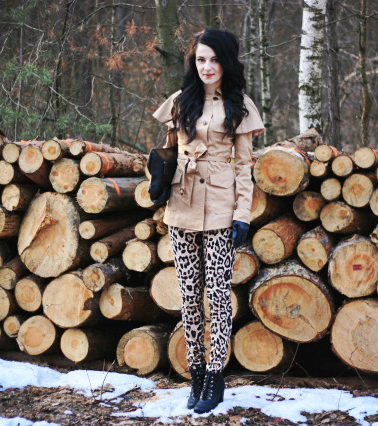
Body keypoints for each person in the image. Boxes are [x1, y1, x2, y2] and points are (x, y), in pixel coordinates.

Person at [151, 29, 264, 414]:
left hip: (219, 206)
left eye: (214, 59)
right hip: (181, 204)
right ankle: (196, 374)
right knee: (188, 295)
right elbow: (167, 151)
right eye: (201, 59)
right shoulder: (180, 101)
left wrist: (242, 214)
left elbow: (245, 166)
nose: (207, 66)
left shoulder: (240, 106)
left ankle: (216, 376)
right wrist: (158, 180)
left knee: (217, 295)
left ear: (226, 62)